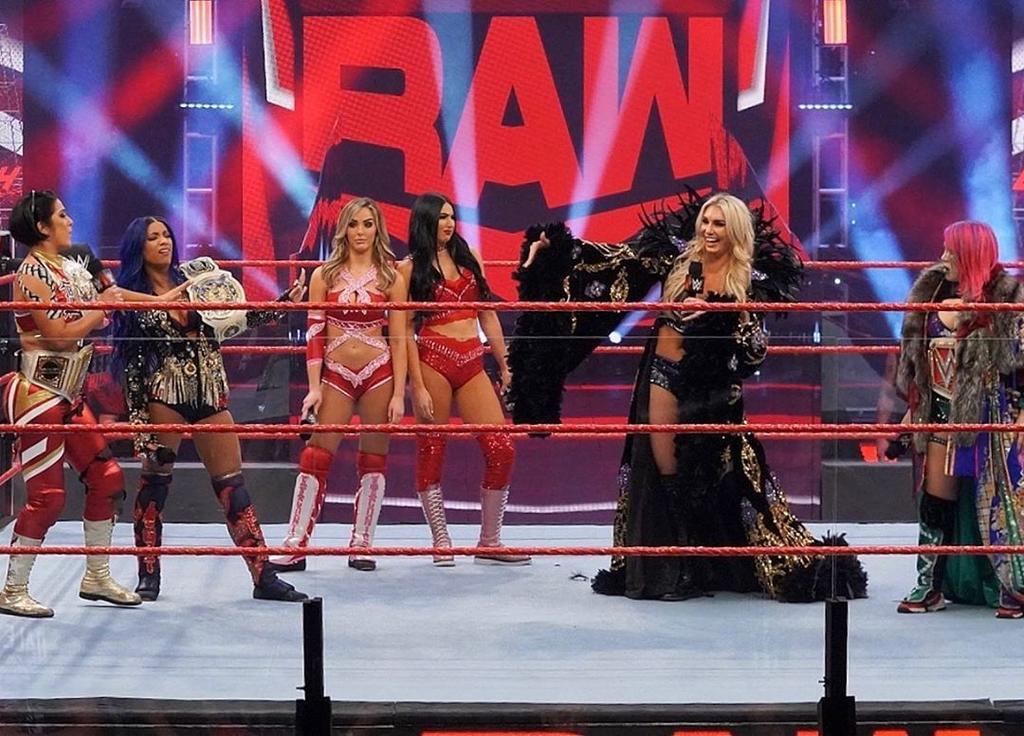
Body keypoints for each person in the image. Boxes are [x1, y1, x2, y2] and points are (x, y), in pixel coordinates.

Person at [508, 190, 867, 601]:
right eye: (705, 222)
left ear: (735, 231)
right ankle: (677, 569)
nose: (709, 231)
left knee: (716, 471)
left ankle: (708, 561)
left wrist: (721, 316)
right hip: (663, 372)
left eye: (719, 224)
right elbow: (615, 260)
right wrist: (555, 249)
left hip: (712, 387)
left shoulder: (748, 278)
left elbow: (754, 352)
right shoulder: (677, 257)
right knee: (666, 467)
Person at [111, 215, 307, 602]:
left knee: (232, 484)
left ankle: (263, 574)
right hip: (164, 393)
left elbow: (236, 318)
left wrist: (282, 305)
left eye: (166, 235)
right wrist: (140, 427)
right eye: (153, 237)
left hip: (210, 389)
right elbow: (132, 363)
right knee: (155, 482)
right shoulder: (133, 294)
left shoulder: (199, 279)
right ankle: (148, 573)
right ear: (138, 247)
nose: (164, 242)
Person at [0, 190, 143, 617]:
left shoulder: (66, 267)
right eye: (62, 215)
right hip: (38, 395)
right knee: (47, 498)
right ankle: (12, 589)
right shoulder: (31, 273)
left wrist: (173, 298)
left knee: (108, 478)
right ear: (42, 226)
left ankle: (97, 576)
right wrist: (100, 308)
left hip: (70, 394)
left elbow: (113, 298)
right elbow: (60, 337)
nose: (70, 221)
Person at [892, 221, 1024, 618]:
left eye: (951, 251)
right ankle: (928, 585)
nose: (943, 257)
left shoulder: (1008, 299)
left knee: (1001, 503)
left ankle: (1012, 586)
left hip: (992, 416)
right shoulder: (931, 293)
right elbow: (918, 365)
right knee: (935, 501)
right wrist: (912, 409)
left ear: (969, 255)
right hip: (941, 414)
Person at [271, 197, 408, 572]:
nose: (360, 231)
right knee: (316, 455)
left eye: (367, 224)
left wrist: (399, 393)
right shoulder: (324, 275)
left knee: (374, 459)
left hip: (379, 372)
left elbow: (399, 338)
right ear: (342, 229)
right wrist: (314, 387)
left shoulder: (392, 277)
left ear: (378, 229)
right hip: (335, 372)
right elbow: (315, 332)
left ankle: (362, 543)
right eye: (353, 224)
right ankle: (295, 544)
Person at [398, 193, 528, 566]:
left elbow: (487, 314)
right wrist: (417, 384)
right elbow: (404, 329)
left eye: (452, 216)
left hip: (472, 359)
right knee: (431, 449)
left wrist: (505, 365)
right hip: (433, 359)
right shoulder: (409, 269)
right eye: (441, 217)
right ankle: (441, 540)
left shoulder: (470, 257)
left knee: (501, 448)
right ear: (425, 221)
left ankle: (490, 541)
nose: (449, 223)